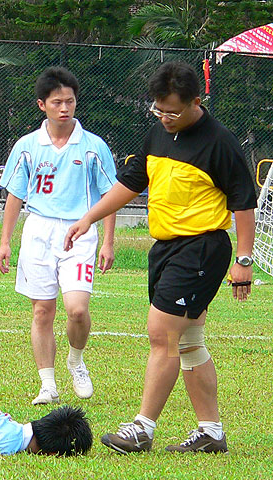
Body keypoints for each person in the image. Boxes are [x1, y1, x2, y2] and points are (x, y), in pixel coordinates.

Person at [64, 62, 256, 454]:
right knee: (188, 341)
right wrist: (88, 218)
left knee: (162, 334)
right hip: (166, 249)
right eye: (159, 110)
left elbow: (243, 202)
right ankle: (211, 432)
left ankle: (142, 428)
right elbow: (131, 183)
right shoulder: (157, 134)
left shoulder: (220, 142)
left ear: (195, 102)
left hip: (201, 248)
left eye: (173, 112)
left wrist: (244, 260)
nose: (165, 118)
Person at [0, 67, 117, 406]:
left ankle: (76, 360)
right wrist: (5, 241)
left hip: (80, 231)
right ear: (42, 105)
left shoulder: (93, 147)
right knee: (42, 311)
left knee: (77, 310)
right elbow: (15, 195)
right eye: (57, 102)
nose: (65, 108)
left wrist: (108, 242)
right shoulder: (27, 146)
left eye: (70, 101)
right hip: (38, 231)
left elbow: (110, 195)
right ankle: (47, 384)